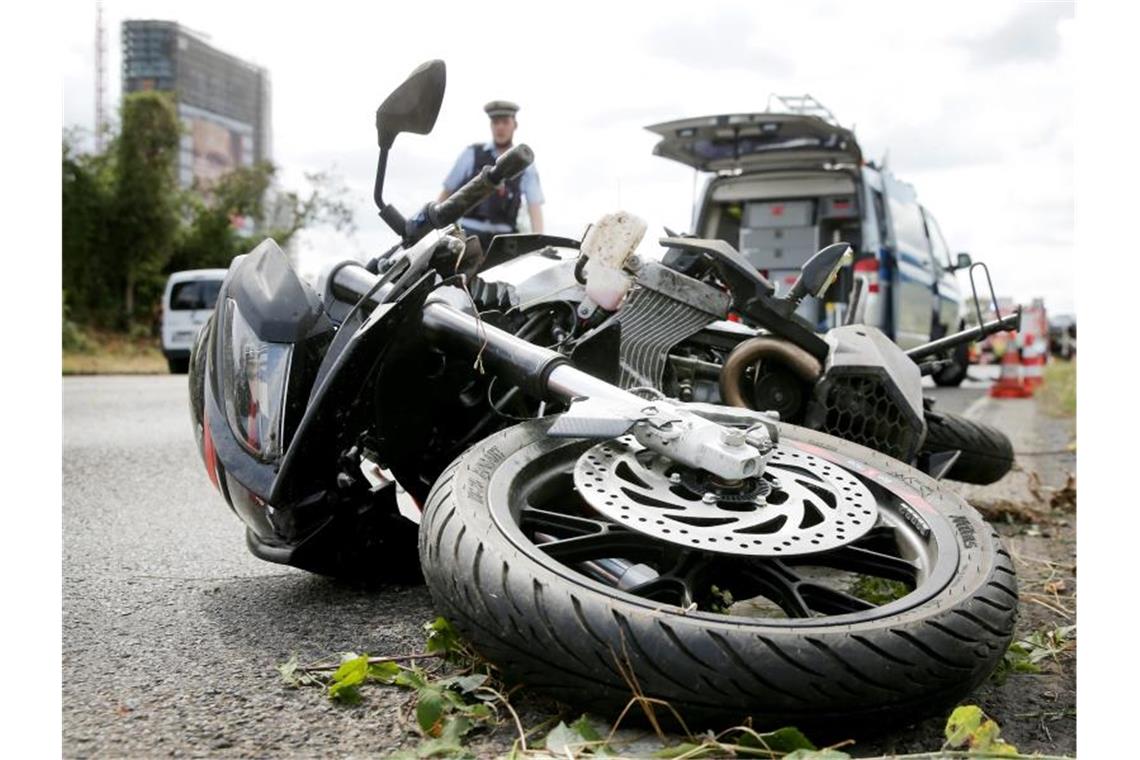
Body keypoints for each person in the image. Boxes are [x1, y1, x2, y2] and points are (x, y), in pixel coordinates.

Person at [439, 100, 544, 253]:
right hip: (466, 237)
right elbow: (446, 194)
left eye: (505, 122)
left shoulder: (525, 164)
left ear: (514, 125)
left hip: (503, 243)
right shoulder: (472, 154)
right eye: (495, 122)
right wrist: (433, 229)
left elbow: (534, 208)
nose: (500, 127)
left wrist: (538, 245)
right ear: (491, 125)